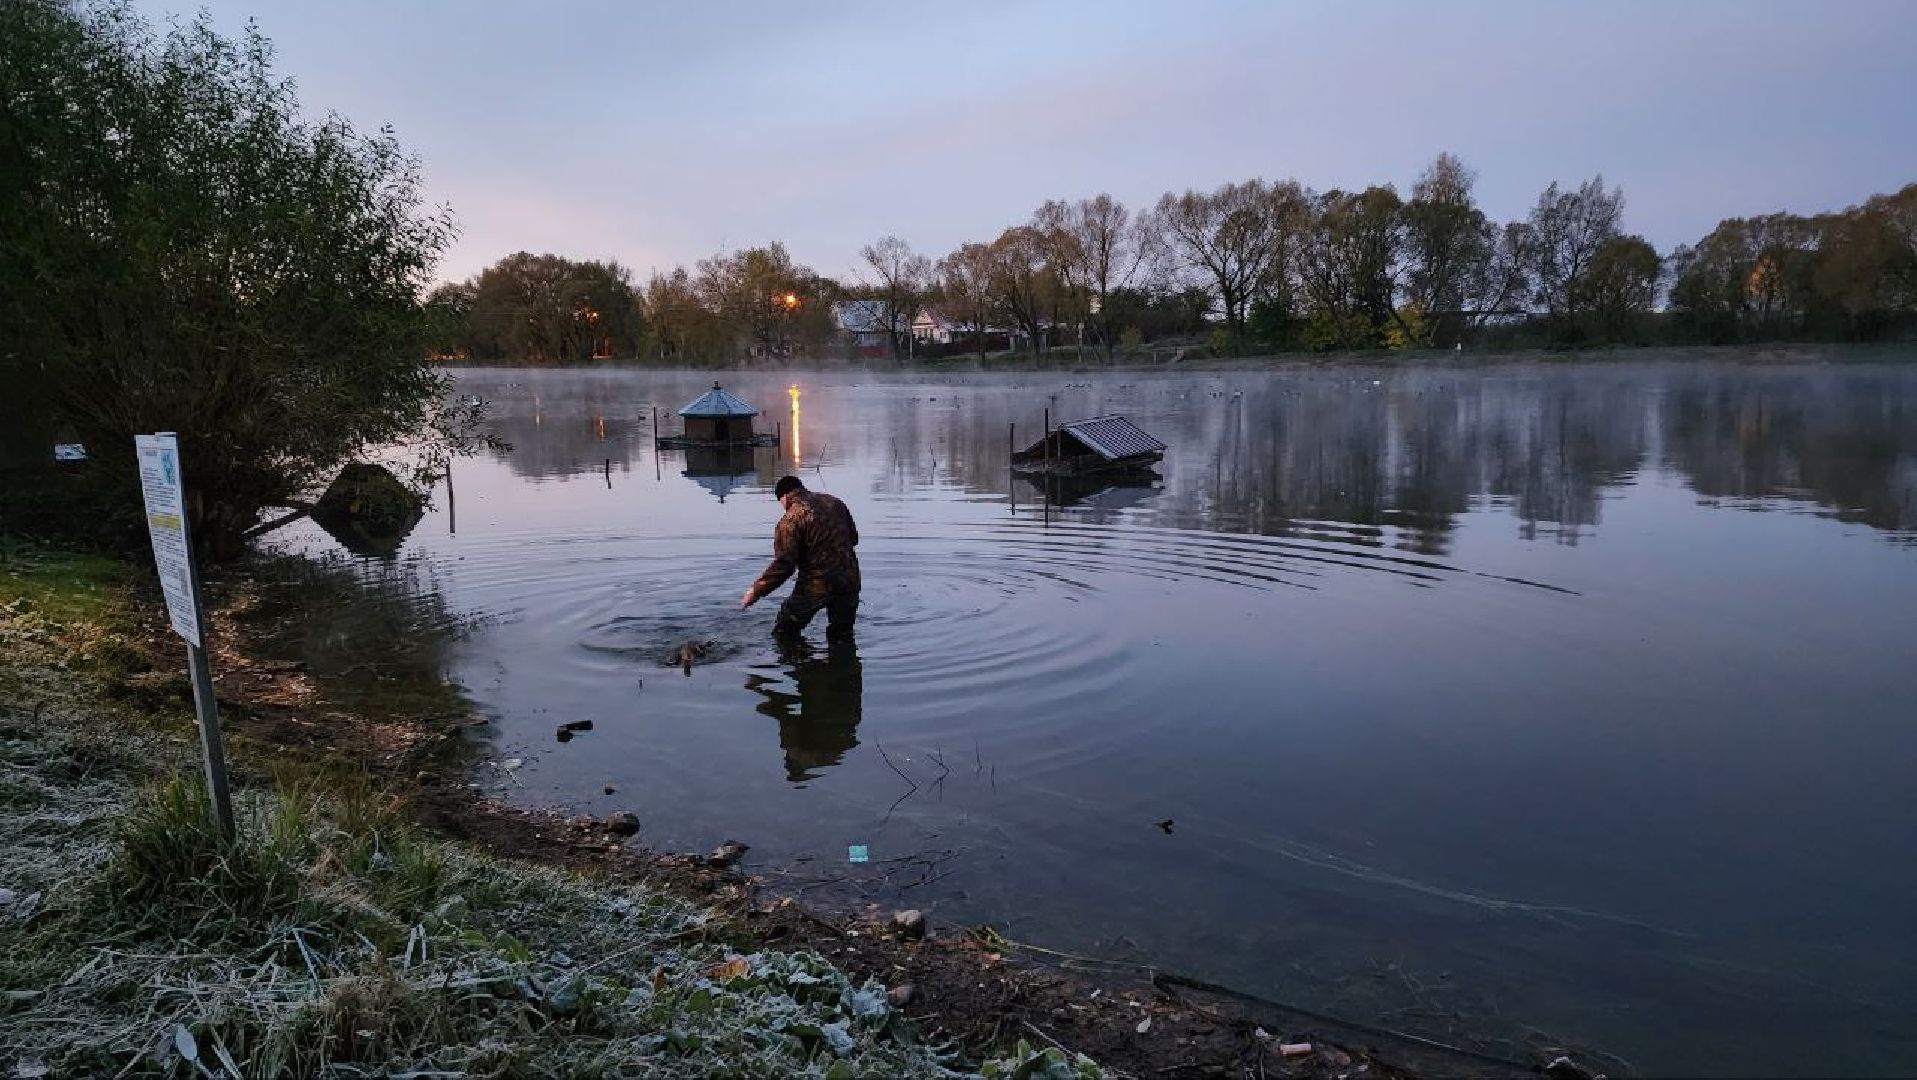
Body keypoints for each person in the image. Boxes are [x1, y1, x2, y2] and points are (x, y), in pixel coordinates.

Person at [740, 475, 860, 642]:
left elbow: (784, 564)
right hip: (849, 580)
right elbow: (853, 539)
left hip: (816, 586)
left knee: (784, 633)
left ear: (784, 497)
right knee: (842, 635)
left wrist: (756, 590)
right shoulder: (834, 502)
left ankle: (800, 662)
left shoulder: (791, 519)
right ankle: (841, 666)